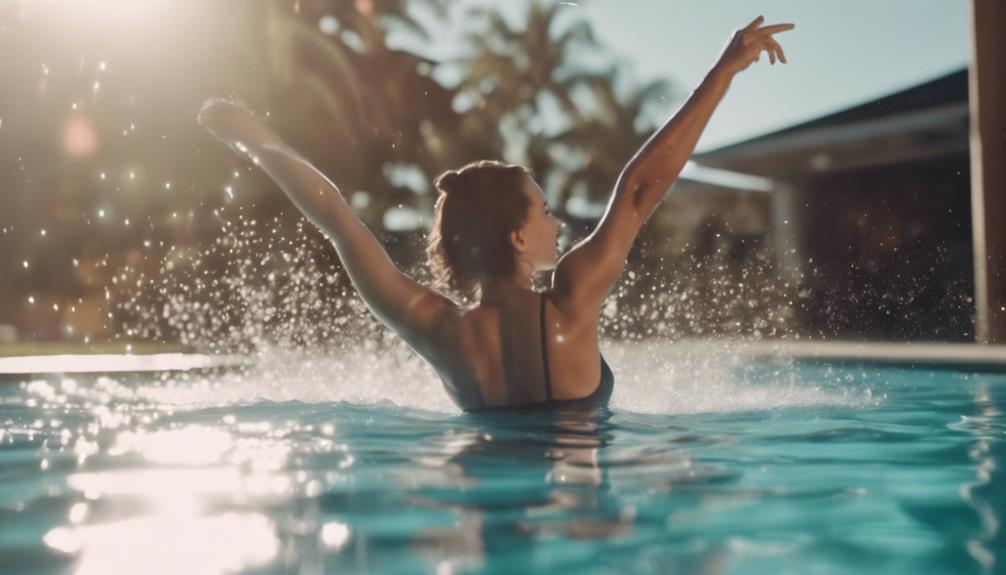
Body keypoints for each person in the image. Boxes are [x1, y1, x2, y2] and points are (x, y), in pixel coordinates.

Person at [198, 16, 794, 411]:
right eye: (543, 210)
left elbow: (335, 217)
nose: (556, 223)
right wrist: (724, 72)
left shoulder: (440, 330)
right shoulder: (573, 300)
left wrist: (255, 139)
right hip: (579, 525)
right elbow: (638, 187)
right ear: (515, 234)